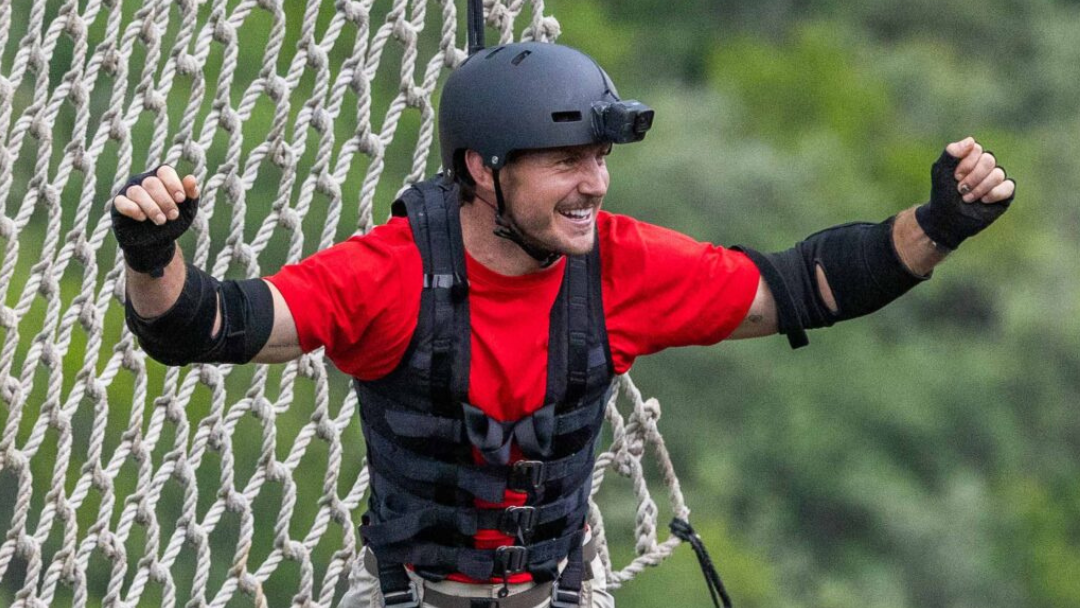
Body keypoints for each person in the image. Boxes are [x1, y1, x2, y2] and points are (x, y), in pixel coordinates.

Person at [110, 42, 1015, 608]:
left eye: (600, 158)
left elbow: (803, 287)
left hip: (558, 595)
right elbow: (204, 325)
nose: (596, 184)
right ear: (482, 169)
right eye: (566, 162)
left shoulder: (619, 265)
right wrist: (153, 257)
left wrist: (939, 224)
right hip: (404, 597)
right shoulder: (389, 274)